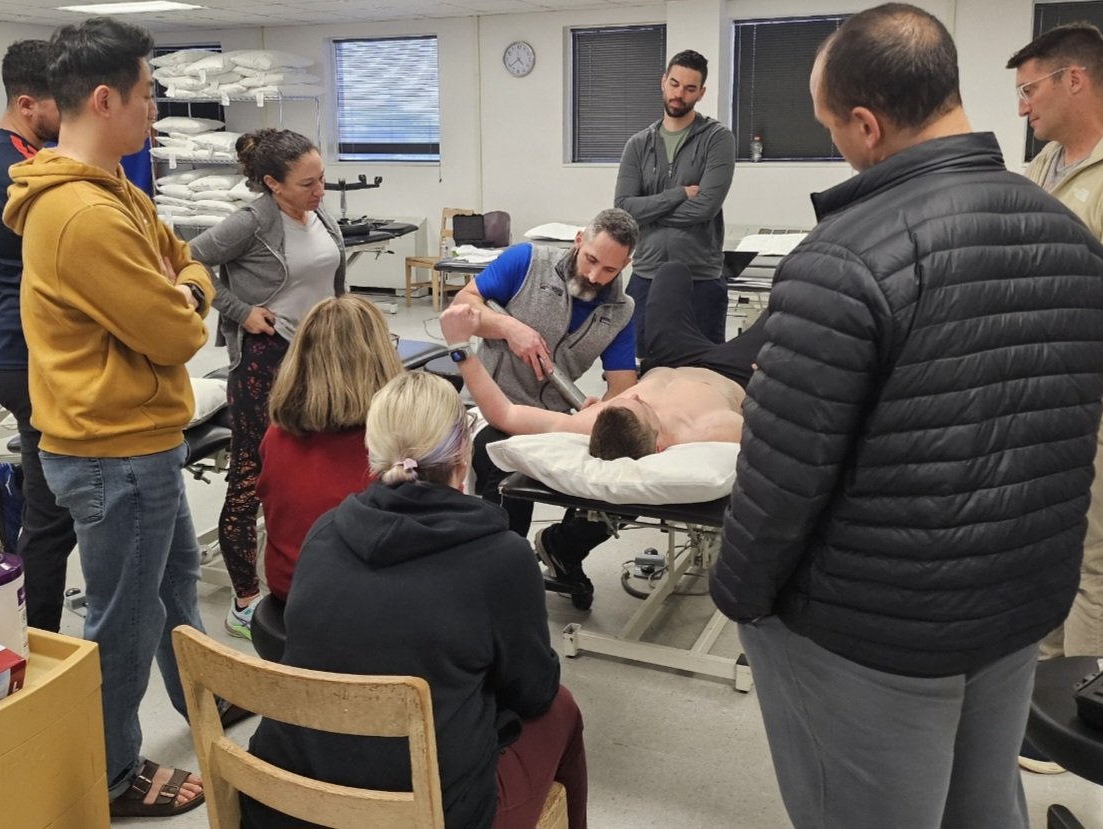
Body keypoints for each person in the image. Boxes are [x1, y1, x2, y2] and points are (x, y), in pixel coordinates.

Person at [709, 6, 1103, 829]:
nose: (833, 147)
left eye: (828, 129)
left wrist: (737, 595)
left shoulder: (842, 258)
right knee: (981, 802)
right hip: (1014, 605)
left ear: (865, 123)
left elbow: (782, 477)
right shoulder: (1068, 237)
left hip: (873, 632)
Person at [2, 16, 221, 818]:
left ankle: (200, 697)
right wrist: (190, 295)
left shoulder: (115, 189)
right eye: (146, 95)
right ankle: (114, 770)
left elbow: (183, 254)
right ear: (104, 98)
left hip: (137, 440)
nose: (153, 112)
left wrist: (183, 282)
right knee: (122, 621)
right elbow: (177, 327)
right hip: (114, 451)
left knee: (170, 593)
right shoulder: (82, 215)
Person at [243, 372, 587, 829]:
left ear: (372, 450)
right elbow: (532, 690)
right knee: (560, 708)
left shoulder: (326, 532)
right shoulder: (500, 558)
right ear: (463, 456)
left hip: (289, 797)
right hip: (423, 812)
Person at [439, 263, 763, 603]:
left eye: (629, 400)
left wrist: (460, 347)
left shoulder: (596, 419)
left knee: (672, 271)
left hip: (668, 356)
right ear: (659, 443)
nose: (635, 393)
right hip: (734, 370)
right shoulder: (712, 429)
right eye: (640, 404)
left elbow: (504, 413)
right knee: (793, 303)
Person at [189, 128, 345, 641]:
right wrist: (240, 311)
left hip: (320, 355)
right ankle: (245, 600)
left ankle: (313, 572)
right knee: (253, 475)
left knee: (317, 462)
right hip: (266, 361)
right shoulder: (251, 222)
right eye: (307, 183)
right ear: (273, 184)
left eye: (321, 178)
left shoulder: (317, 211)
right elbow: (189, 259)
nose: (320, 190)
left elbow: (330, 277)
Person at [1006, 24, 1103, 773]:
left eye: (1029, 89)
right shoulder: (1042, 162)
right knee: (1043, 542)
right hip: (1039, 387)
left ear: (1075, 80)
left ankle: (1080, 721)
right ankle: (1035, 699)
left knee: (1093, 557)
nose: (1021, 106)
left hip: (1091, 391)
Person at [256, 293, 404, 606]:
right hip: (358, 601)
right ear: (378, 358)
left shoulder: (276, 434)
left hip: (289, 588)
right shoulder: (391, 443)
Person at [0, 40, 74, 633]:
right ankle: (38, 643)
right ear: (27, 104)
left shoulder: (24, 158)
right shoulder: (22, 172)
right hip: (24, 355)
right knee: (55, 513)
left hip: (12, 351)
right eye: (59, 101)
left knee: (39, 495)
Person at [614, 49, 735, 359]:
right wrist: (679, 194)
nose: (679, 94)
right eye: (675, 83)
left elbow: (705, 207)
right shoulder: (638, 145)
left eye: (690, 88)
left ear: (701, 93)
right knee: (639, 367)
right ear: (663, 82)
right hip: (647, 275)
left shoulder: (717, 139)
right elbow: (624, 209)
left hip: (700, 278)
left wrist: (649, 214)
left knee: (702, 374)